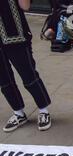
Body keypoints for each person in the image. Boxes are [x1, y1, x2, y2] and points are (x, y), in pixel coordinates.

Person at [0, 0, 52, 132]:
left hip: (15, 34)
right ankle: (18, 113)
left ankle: (43, 110)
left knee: (28, 74)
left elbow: (25, 6)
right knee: (4, 79)